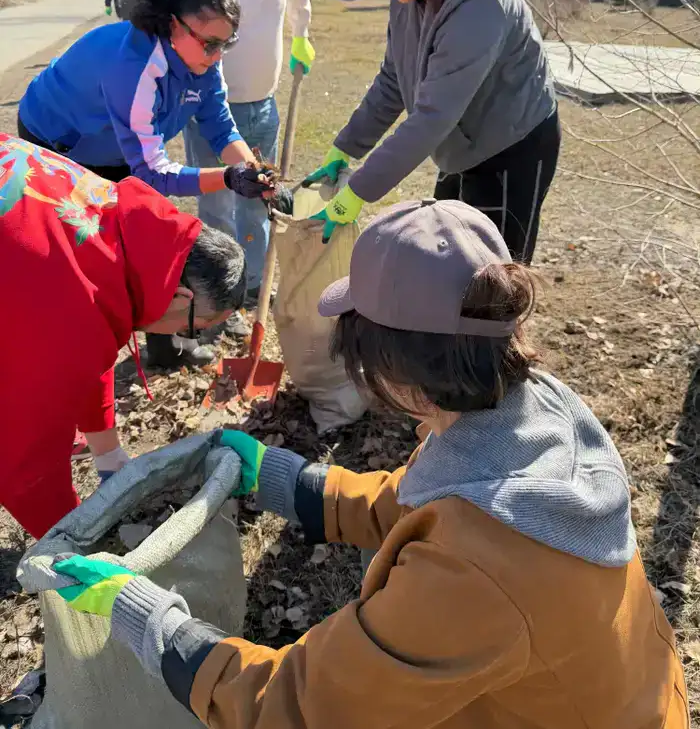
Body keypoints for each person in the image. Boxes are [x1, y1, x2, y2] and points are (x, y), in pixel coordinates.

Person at [52, 198, 689, 729]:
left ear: (400, 374)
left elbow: (302, 706)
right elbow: (418, 505)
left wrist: (146, 617)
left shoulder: (473, 573)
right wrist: (277, 477)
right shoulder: (525, 412)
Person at [17, 0, 275, 368]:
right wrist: (227, 179)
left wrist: (253, 170)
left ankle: (166, 344)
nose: (216, 57)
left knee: (148, 233)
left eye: (225, 45)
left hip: (120, 145)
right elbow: (153, 174)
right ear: (172, 25)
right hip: (59, 139)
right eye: (210, 44)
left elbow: (219, 124)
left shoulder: (204, 55)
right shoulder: (135, 66)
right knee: (80, 246)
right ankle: (73, 351)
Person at [0, 132, 247, 539]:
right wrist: (71, 539)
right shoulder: (70, 308)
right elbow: (24, 460)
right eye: (195, 327)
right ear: (181, 295)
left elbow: (92, 356)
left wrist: (109, 455)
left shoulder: (126, 229)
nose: (189, 337)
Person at [304, 0, 560, 264]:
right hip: (459, 142)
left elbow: (431, 118)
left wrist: (359, 190)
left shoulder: (480, 6)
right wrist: (347, 146)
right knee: (448, 263)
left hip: (511, 146)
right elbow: (394, 80)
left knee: (493, 277)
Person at [179, 0, 314, 331]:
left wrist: (302, 35)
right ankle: (220, 299)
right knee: (215, 207)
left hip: (265, 105)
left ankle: (255, 286)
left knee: (257, 204)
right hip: (208, 114)